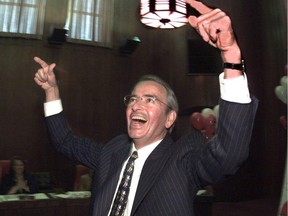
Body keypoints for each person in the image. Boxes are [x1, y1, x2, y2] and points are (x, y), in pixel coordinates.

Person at [33, 1, 258, 215]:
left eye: (150, 100)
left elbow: (228, 154)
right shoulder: (112, 152)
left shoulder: (183, 158)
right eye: (133, 99)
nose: (137, 105)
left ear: (170, 119)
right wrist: (51, 91)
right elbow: (64, 141)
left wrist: (231, 56)